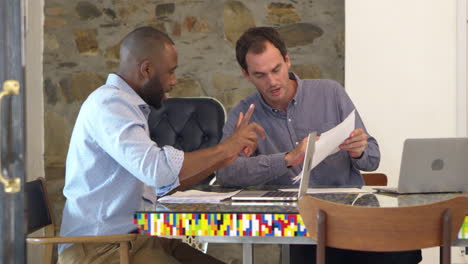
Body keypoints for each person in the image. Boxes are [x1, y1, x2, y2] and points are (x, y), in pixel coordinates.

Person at [58, 26, 264, 264]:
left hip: (135, 240)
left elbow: (160, 185)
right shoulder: (110, 104)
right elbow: (157, 171)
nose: (174, 81)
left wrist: (225, 157)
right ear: (146, 69)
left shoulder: (127, 106)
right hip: (101, 250)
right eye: (171, 72)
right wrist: (227, 147)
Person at [216, 27, 421, 263]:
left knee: (405, 251)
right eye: (260, 75)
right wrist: (287, 159)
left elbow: (373, 158)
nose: (272, 81)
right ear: (246, 74)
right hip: (300, 226)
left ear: (287, 61)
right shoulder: (245, 113)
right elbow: (225, 173)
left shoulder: (330, 92)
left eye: (276, 69)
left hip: (353, 218)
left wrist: (359, 151)